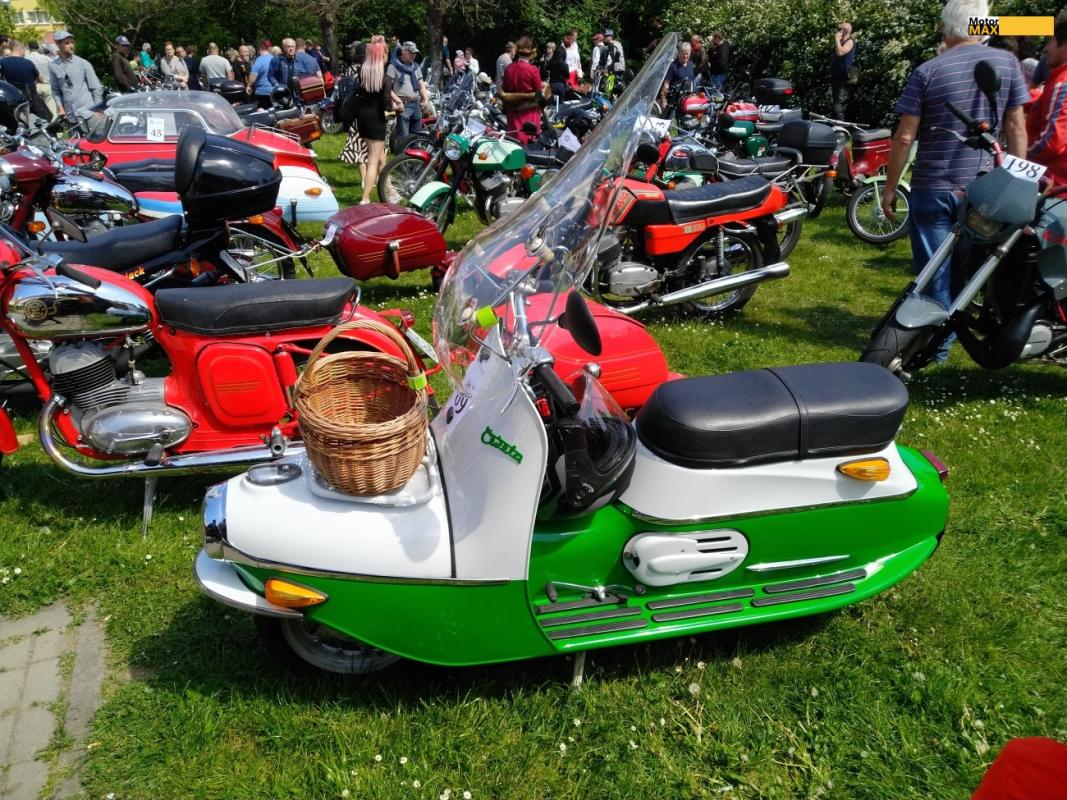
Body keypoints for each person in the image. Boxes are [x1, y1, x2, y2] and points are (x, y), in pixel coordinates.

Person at [880, 0, 1028, 362]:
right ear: (983, 26)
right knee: (966, 270)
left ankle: (936, 347)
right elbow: (1016, 127)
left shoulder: (927, 71)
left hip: (933, 183)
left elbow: (904, 137)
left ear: (946, 27)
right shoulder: (1008, 64)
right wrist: (1018, 183)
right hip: (984, 187)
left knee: (934, 272)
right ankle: (948, 337)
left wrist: (890, 187)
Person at [354, 35, 403, 203]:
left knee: (381, 158)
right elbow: (387, 106)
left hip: (362, 119)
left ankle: (391, 192)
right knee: (373, 162)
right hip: (376, 121)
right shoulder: (385, 78)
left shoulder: (362, 72)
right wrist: (397, 106)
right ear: (383, 55)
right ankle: (365, 198)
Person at [1025, 12, 1067, 188]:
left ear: (1064, 44)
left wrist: (1018, 155)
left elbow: (1050, 142)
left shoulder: (1062, 84)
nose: (1045, 49)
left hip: (1054, 186)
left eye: (1050, 40)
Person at [48, 30, 103, 124]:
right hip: (71, 116)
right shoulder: (53, 65)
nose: (71, 46)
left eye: (72, 42)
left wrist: (98, 109)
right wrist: (60, 108)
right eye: (67, 43)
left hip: (89, 114)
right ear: (58, 43)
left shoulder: (83, 63)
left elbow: (96, 88)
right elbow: (55, 90)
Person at [387, 41, 430, 144]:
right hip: (403, 104)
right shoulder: (393, 66)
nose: (413, 55)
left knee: (417, 135)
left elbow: (421, 85)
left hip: (416, 104)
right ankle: (402, 153)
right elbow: (387, 88)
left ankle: (415, 153)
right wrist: (397, 100)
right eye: (411, 52)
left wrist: (425, 100)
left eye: (415, 53)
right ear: (403, 51)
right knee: (404, 138)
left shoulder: (416, 67)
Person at [501, 36, 542, 144]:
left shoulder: (509, 68)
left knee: (513, 144)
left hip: (513, 115)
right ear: (531, 53)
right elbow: (538, 93)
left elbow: (505, 90)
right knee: (529, 147)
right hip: (529, 115)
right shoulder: (533, 70)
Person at [339, 41, 367, 176]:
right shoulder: (368, 70)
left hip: (354, 111)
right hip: (366, 111)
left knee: (357, 144)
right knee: (369, 146)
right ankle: (370, 178)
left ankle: (365, 179)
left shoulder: (351, 69)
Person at [2, 40, 49, 119]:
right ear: (21, 49)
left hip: (14, 98)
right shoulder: (28, 62)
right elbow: (40, 79)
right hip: (31, 98)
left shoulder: (2, 62)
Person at [830, 21, 856, 119]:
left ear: (844, 31)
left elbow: (840, 53)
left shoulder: (850, 41)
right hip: (837, 75)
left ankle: (841, 123)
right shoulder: (840, 43)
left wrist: (837, 39)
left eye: (839, 29)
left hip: (845, 75)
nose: (837, 32)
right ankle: (836, 119)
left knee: (839, 101)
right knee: (836, 99)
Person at [660, 41, 695, 110]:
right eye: (683, 54)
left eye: (687, 54)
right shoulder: (673, 66)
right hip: (675, 101)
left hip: (688, 101)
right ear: (679, 53)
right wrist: (664, 100)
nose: (685, 56)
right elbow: (666, 84)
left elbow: (691, 81)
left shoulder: (691, 64)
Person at [26, 41, 56, 117]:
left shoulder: (26, 59)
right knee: (51, 108)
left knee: (38, 109)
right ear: (38, 47)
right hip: (47, 85)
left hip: (33, 87)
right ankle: (53, 122)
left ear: (29, 48)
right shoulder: (47, 58)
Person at [249, 40, 274, 107]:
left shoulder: (259, 60)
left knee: (261, 110)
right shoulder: (274, 58)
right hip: (274, 91)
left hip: (262, 92)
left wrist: (248, 86)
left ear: (260, 49)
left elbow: (253, 76)